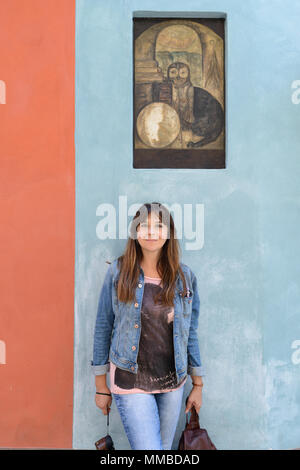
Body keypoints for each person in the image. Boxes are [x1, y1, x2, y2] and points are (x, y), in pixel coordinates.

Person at [91, 202, 205, 450]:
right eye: (144, 226)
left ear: (169, 233)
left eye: (158, 226)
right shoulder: (119, 272)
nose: (151, 232)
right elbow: (103, 326)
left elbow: (190, 334)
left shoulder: (185, 277)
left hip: (172, 383)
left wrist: (198, 384)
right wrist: (101, 386)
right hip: (130, 380)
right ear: (135, 231)